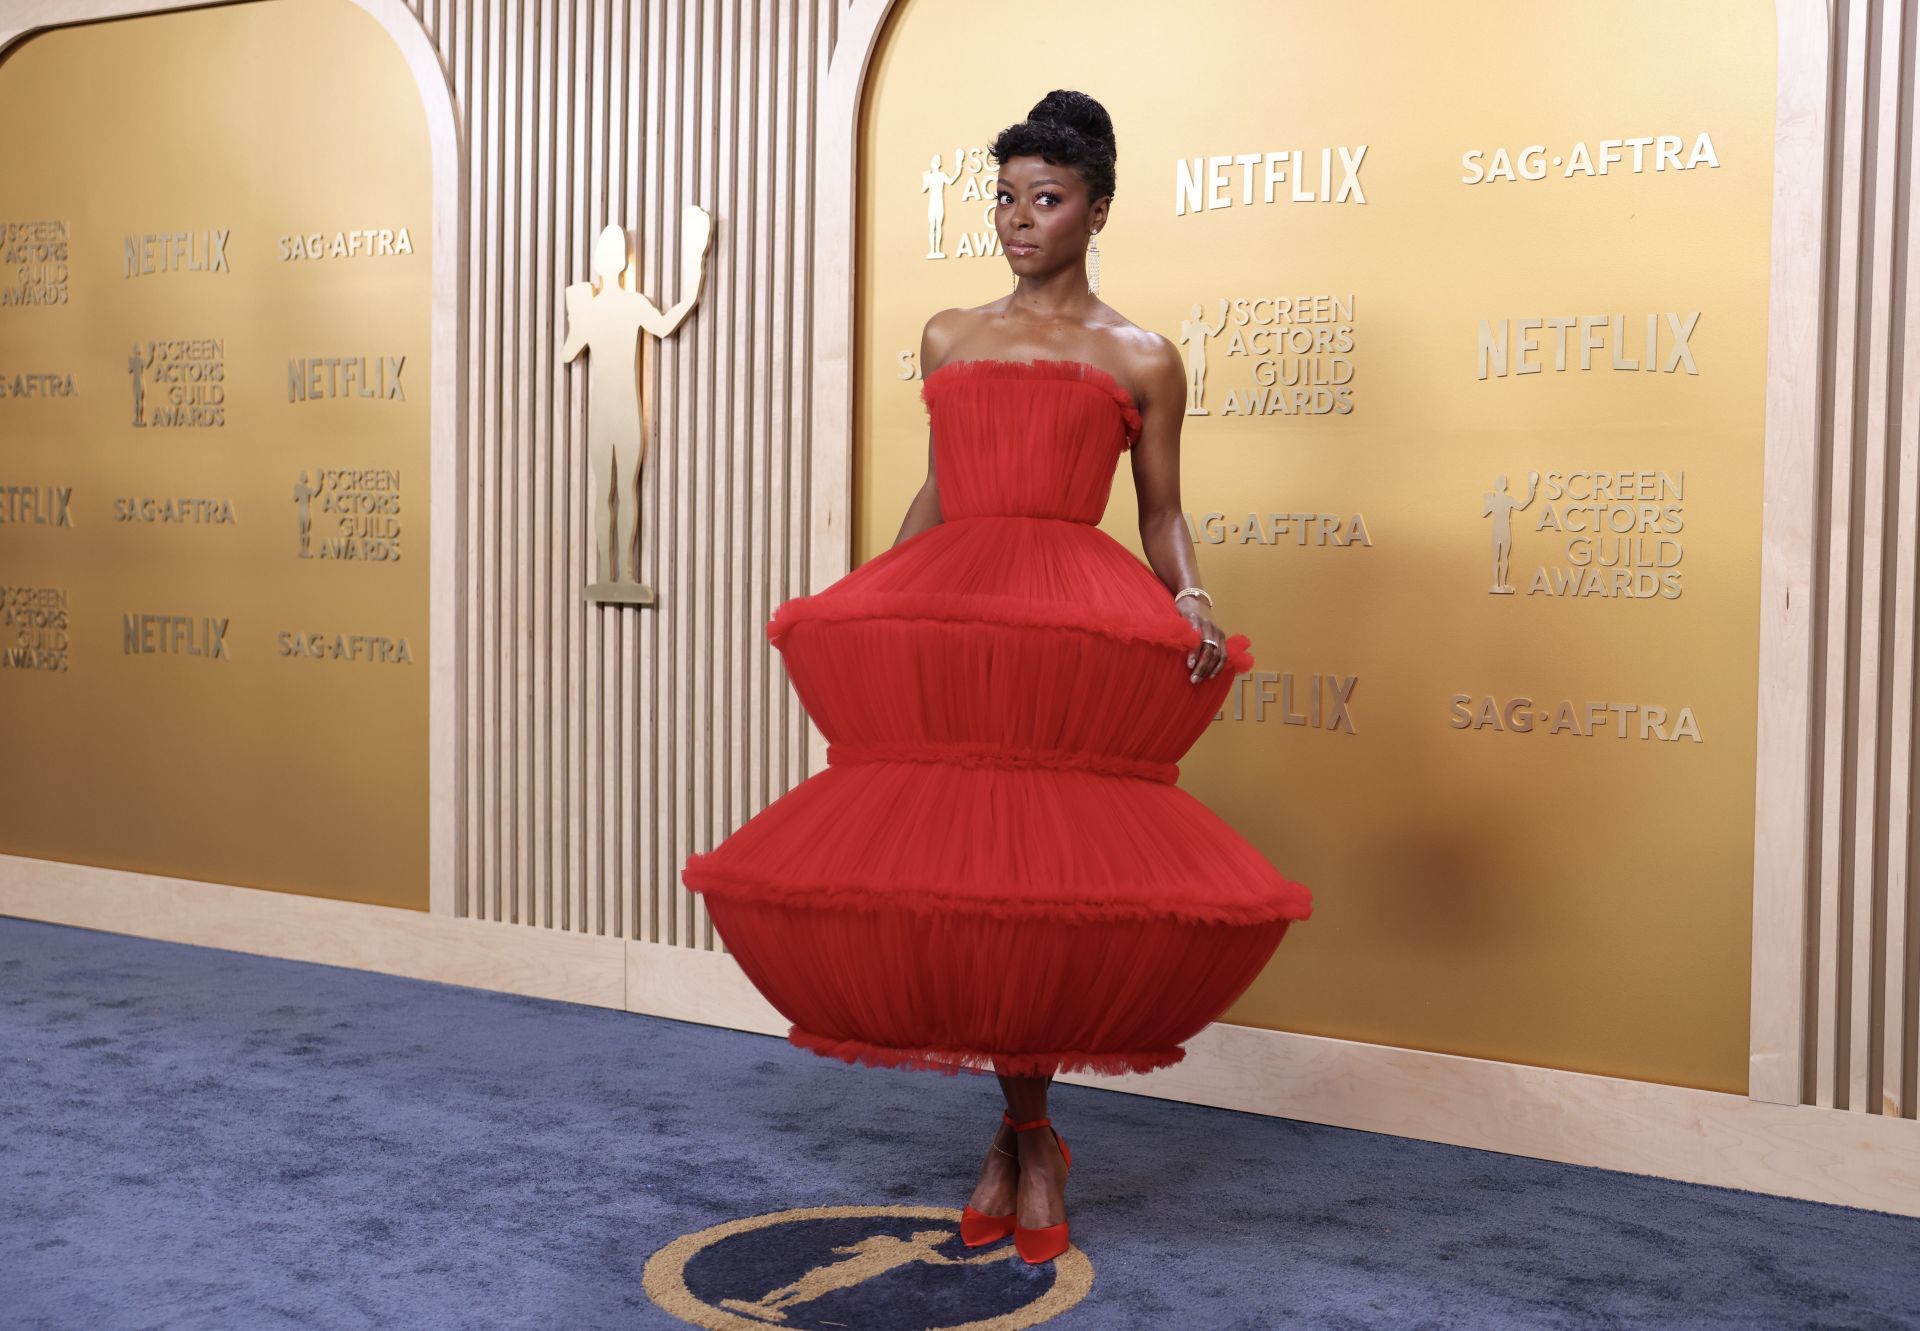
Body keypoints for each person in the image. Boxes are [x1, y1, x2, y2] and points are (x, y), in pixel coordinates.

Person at [682, 89, 1311, 1266]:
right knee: (965, 883)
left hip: (1064, 620)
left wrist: (1190, 595)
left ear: (1098, 209)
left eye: (1047, 199)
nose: (1019, 220)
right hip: (963, 608)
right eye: (1007, 199)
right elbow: (940, 489)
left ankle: (1028, 1137)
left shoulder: (1142, 356)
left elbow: (1161, 511)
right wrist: (883, 595)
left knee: (1032, 890)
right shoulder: (947, 334)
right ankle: (1024, 1138)